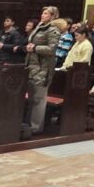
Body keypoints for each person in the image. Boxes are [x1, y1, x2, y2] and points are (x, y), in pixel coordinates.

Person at [24, 7, 61, 135]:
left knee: (38, 99)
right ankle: (28, 124)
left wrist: (35, 48)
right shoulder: (40, 27)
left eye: (45, 13)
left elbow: (52, 49)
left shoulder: (53, 30)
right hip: (32, 66)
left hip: (43, 68)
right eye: (42, 13)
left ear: (53, 16)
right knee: (31, 98)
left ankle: (36, 127)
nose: (42, 15)